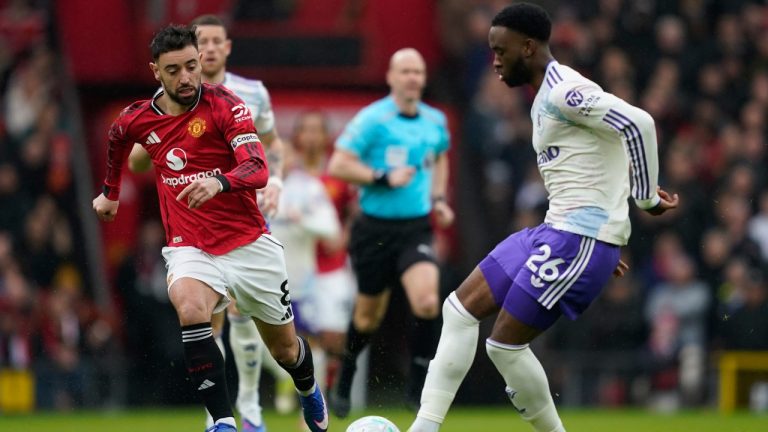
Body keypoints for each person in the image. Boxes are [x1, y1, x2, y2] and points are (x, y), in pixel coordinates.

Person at [407, 4, 679, 432]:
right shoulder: (542, 97)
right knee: (458, 309)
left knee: (504, 348)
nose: (494, 60)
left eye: (501, 50)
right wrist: (603, 242)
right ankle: (424, 427)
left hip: (577, 238)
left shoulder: (563, 92)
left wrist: (642, 201)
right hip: (562, 233)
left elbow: (638, 123)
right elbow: (597, 157)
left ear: (529, 47)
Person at [92, 25, 329, 432]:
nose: (186, 78)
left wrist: (219, 181)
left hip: (248, 243)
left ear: (200, 61)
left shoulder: (226, 105)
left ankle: (308, 389)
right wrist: (110, 193)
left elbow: (258, 166)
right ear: (156, 72)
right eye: (174, 70)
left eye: (191, 65)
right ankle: (222, 421)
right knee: (189, 306)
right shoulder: (138, 117)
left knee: (286, 350)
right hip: (191, 246)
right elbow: (116, 140)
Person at [127, 15, 293, 432]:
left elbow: (273, 147)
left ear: (225, 48)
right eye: (204, 41)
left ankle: (251, 405)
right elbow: (138, 158)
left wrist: (277, 182)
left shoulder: (252, 93)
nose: (211, 48)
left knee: (246, 313)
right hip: (196, 226)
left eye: (217, 41)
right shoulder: (162, 100)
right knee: (204, 316)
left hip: (244, 214)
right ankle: (217, 414)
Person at [327, 48, 454, 417]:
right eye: (406, 71)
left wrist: (440, 199)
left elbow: (441, 156)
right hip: (374, 230)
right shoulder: (373, 119)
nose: (413, 77)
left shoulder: (435, 120)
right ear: (391, 77)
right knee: (368, 317)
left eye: (418, 71)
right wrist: (380, 177)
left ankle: (419, 390)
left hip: (415, 227)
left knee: (428, 301)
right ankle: (347, 373)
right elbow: (338, 164)